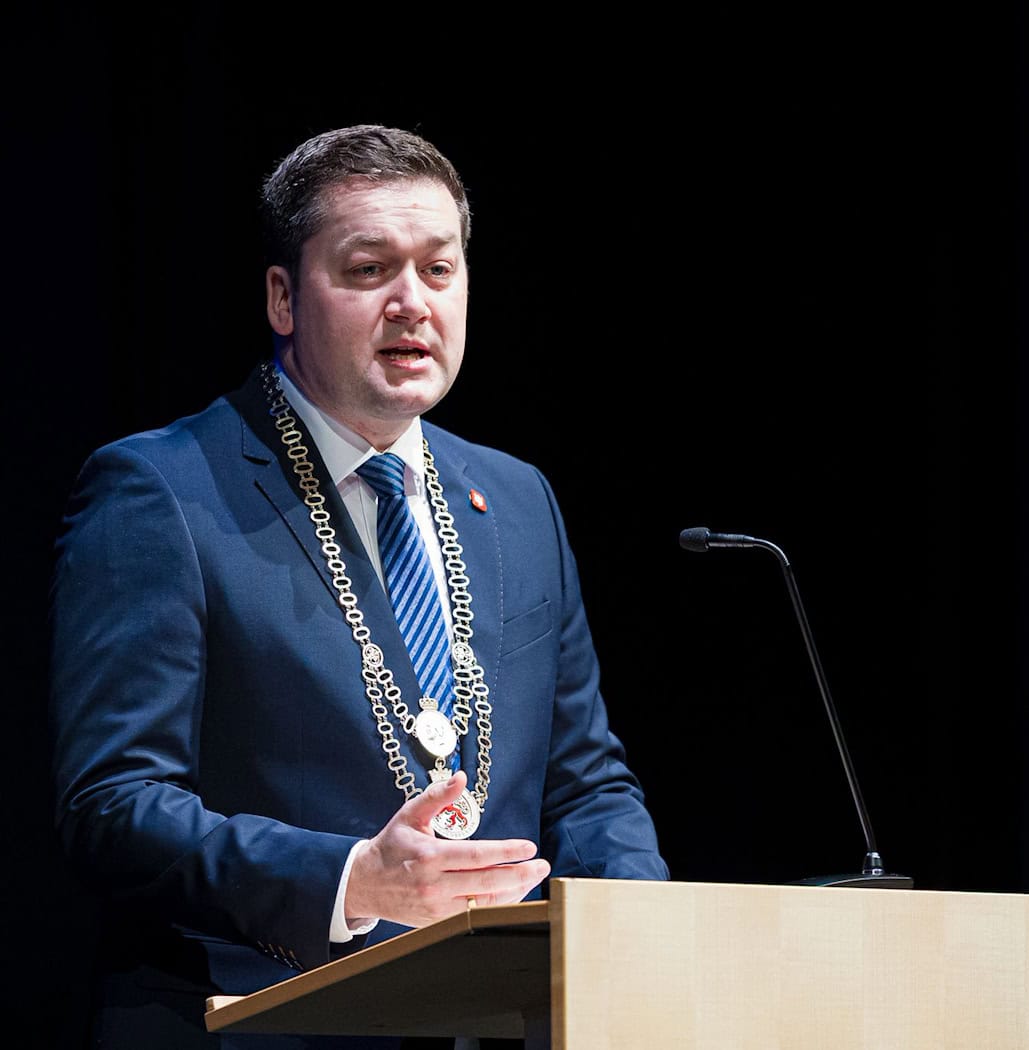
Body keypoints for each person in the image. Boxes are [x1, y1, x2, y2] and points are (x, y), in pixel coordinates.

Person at [49, 125, 667, 1048]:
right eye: (370, 269)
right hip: (256, 1019)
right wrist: (351, 879)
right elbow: (114, 805)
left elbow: (586, 787)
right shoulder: (162, 492)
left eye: (439, 270)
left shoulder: (518, 500)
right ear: (283, 297)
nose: (412, 303)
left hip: (500, 1022)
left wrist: (648, 936)